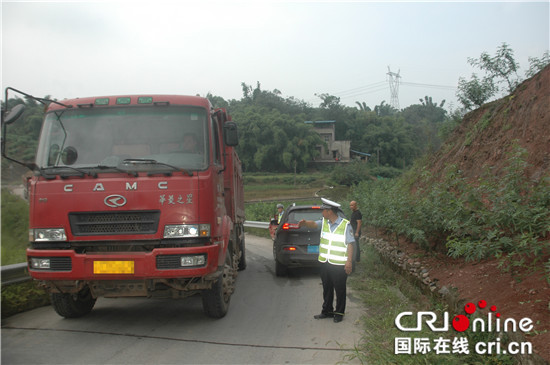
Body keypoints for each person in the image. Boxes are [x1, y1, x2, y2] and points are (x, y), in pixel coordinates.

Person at [298, 198, 354, 323]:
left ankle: (339, 313)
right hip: (325, 262)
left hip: (339, 264)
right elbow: (314, 224)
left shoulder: (345, 225)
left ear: (330, 212)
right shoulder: (324, 222)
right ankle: (327, 311)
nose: (322, 212)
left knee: (339, 289)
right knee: (327, 288)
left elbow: (350, 244)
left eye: (323, 210)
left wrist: (349, 261)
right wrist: (305, 223)